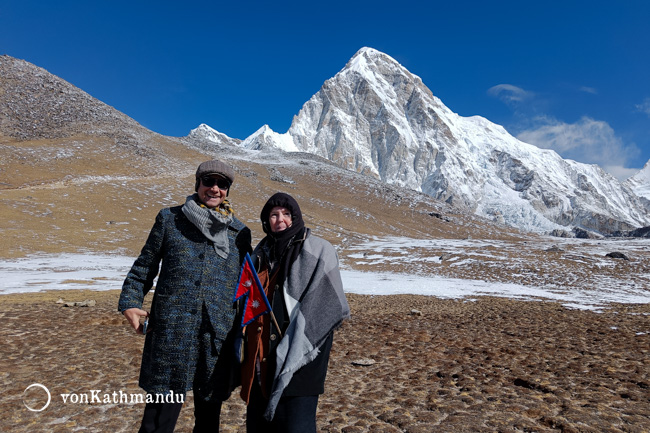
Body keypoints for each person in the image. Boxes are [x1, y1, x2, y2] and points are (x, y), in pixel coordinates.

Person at [119, 160, 251, 433]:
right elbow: (144, 266)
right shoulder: (170, 219)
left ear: (227, 190)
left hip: (216, 336)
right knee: (158, 420)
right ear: (198, 184)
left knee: (208, 417)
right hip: (172, 333)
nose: (214, 188)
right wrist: (131, 302)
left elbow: (247, 286)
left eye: (221, 184)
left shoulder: (239, 232)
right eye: (208, 182)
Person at [239, 192, 350, 432]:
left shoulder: (319, 250)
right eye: (274, 214)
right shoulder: (261, 253)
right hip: (262, 360)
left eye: (287, 214)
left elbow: (329, 305)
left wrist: (299, 343)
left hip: (302, 363)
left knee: (296, 426)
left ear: (296, 217)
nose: (280, 219)